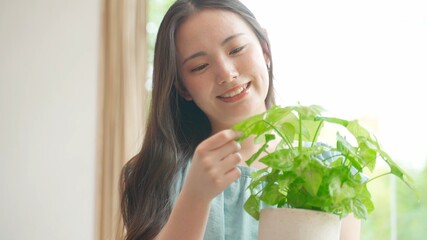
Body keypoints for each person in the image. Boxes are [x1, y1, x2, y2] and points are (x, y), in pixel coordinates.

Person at [120, 0, 361, 239]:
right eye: (200, 66)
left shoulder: (330, 170)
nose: (226, 73)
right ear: (183, 88)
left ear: (265, 49)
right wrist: (196, 196)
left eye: (236, 50)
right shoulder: (156, 174)